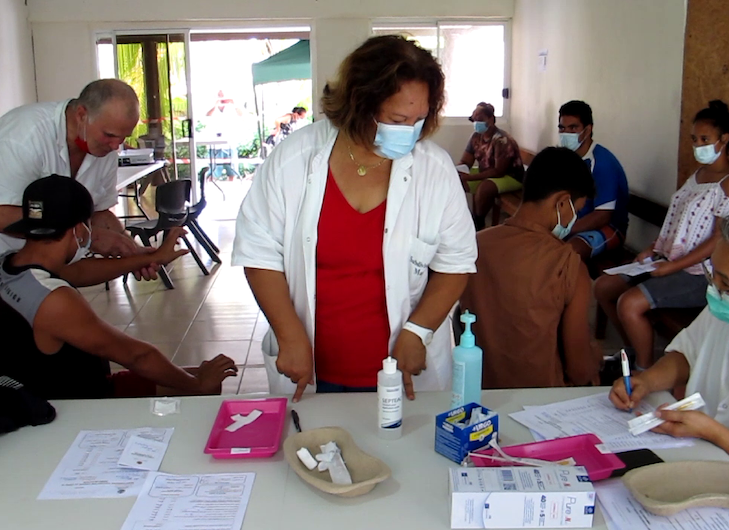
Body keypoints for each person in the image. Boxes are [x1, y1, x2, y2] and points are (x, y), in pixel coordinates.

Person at [233, 35, 477, 402]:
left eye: (419, 119)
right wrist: (288, 334)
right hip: (313, 366)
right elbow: (259, 253)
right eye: (398, 119)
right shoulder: (294, 159)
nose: (410, 131)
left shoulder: (433, 170)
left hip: (403, 367)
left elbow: (456, 263)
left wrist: (418, 330)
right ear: (359, 103)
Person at [609, 211, 729, 506]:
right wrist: (646, 381)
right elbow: (688, 353)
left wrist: (714, 432)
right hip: (697, 467)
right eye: (712, 274)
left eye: (725, 282)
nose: (714, 290)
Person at [0, 175, 238, 400]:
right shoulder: (53, 300)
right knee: (192, 384)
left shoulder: (11, 265)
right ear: (81, 231)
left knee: (184, 374)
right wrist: (197, 386)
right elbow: (135, 355)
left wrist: (146, 258)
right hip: (72, 408)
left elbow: (78, 271)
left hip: (40, 387)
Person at [595, 100, 729, 369]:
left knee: (629, 305)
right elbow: (676, 220)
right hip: (666, 260)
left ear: (724, 139)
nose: (698, 145)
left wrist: (673, 266)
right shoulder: (699, 174)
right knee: (604, 287)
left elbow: (719, 240)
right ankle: (632, 349)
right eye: (694, 139)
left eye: (705, 139)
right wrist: (653, 248)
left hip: (699, 274)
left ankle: (643, 368)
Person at [460, 147, 602, 388]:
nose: (572, 221)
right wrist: (593, 358)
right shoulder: (568, 266)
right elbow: (579, 371)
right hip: (541, 400)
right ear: (562, 202)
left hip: (477, 391)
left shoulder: (474, 246)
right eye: (575, 212)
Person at [0, 79, 159, 281]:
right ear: (82, 115)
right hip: (7, 265)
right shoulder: (23, 137)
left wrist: (131, 251)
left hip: (50, 269)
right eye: (109, 135)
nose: (115, 146)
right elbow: (2, 214)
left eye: (123, 138)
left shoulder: (105, 148)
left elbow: (99, 211)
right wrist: (89, 238)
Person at [557, 100, 629, 260]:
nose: (566, 134)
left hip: (609, 228)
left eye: (573, 128)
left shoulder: (602, 163)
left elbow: (602, 216)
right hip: (573, 222)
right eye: (562, 128)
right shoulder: (566, 158)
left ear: (588, 129)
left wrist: (565, 230)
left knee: (568, 253)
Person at [457, 102, 525, 231]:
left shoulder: (501, 140)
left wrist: (471, 177)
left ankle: (478, 223)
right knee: (455, 178)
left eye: (480, 119)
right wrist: (459, 172)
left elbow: (499, 171)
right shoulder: (476, 137)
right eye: (474, 119)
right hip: (489, 172)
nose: (476, 122)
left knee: (485, 188)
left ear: (491, 120)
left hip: (511, 176)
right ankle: (463, 220)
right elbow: (466, 161)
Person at [205, 90, 243, 181]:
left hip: (230, 142)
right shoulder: (211, 103)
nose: (222, 96)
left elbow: (241, 115)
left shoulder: (232, 105)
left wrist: (233, 103)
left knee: (232, 171)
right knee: (214, 172)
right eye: (220, 94)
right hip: (215, 144)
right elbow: (207, 116)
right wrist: (215, 105)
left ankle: (232, 189)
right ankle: (210, 189)